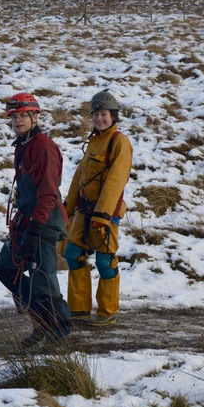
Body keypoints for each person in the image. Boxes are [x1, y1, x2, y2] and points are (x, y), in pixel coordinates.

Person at [0, 92, 72, 347]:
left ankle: (58, 333)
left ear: (36, 116)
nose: (17, 121)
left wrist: (35, 229)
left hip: (43, 221)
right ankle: (42, 320)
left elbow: (48, 192)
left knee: (43, 279)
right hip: (26, 220)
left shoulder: (43, 146)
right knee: (6, 268)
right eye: (14, 117)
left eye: (23, 116)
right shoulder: (24, 145)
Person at [63, 90, 133, 327]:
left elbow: (116, 180)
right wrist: (67, 208)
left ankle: (107, 312)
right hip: (84, 211)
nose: (99, 119)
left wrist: (103, 216)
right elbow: (79, 178)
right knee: (73, 255)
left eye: (104, 114)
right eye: (95, 114)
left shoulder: (119, 142)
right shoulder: (93, 141)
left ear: (113, 116)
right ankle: (79, 310)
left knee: (105, 262)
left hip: (106, 213)